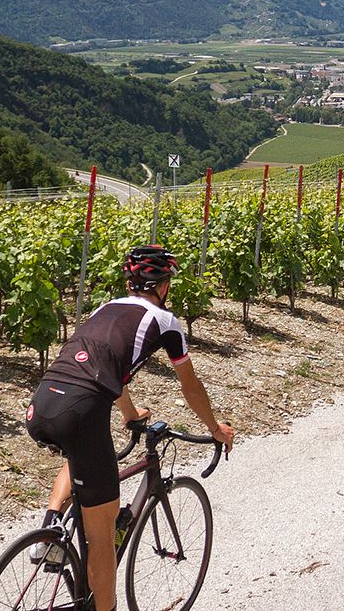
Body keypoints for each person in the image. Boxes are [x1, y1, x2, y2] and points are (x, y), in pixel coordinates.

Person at [25, 245, 234, 611]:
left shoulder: (105, 309)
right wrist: (216, 428)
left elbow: (105, 370)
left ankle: (53, 526)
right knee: (102, 536)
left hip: (43, 401)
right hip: (83, 410)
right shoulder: (165, 321)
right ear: (163, 285)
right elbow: (190, 386)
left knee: (79, 456)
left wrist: (131, 412)